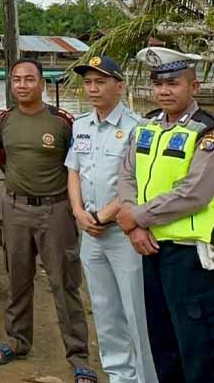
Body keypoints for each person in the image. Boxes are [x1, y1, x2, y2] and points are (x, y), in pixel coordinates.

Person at [0, 59, 96, 383]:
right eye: (16, 80)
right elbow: (4, 159)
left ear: (42, 84)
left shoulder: (63, 121)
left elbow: (74, 167)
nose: (22, 85)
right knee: (17, 278)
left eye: (29, 79)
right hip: (15, 209)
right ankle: (17, 341)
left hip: (56, 210)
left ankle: (78, 355)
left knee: (64, 283)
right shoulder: (4, 121)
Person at [116, 47, 214, 382]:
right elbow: (127, 174)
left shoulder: (206, 133)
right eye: (158, 83)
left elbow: (195, 192)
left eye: (173, 83)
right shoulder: (146, 127)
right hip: (149, 247)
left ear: (194, 86)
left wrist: (138, 218)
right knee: (162, 340)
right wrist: (134, 225)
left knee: (197, 345)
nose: (164, 91)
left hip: (189, 257)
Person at [65, 56, 156, 383]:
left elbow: (138, 185)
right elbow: (73, 170)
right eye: (88, 82)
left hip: (123, 234)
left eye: (100, 82)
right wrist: (78, 212)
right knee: (104, 311)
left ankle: (147, 377)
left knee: (137, 314)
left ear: (120, 86)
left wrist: (102, 216)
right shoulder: (81, 125)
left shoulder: (137, 128)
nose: (92, 88)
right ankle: (120, 376)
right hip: (90, 232)